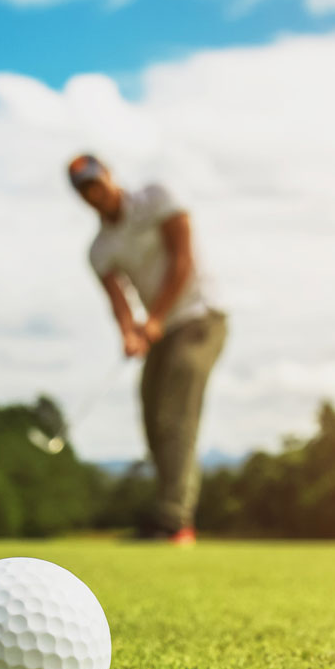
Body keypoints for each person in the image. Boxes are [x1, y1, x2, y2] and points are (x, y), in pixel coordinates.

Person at [68, 153, 227, 545]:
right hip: (162, 330)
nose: (94, 192)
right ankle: (165, 514)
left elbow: (182, 260)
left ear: (109, 174)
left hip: (199, 318)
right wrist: (129, 332)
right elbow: (119, 302)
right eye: (85, 189)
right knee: (153, 418)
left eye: (96, 181)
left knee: (175, 414)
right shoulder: (100, 249)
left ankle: (174, 522)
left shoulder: (159, 197)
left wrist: (152, 319)